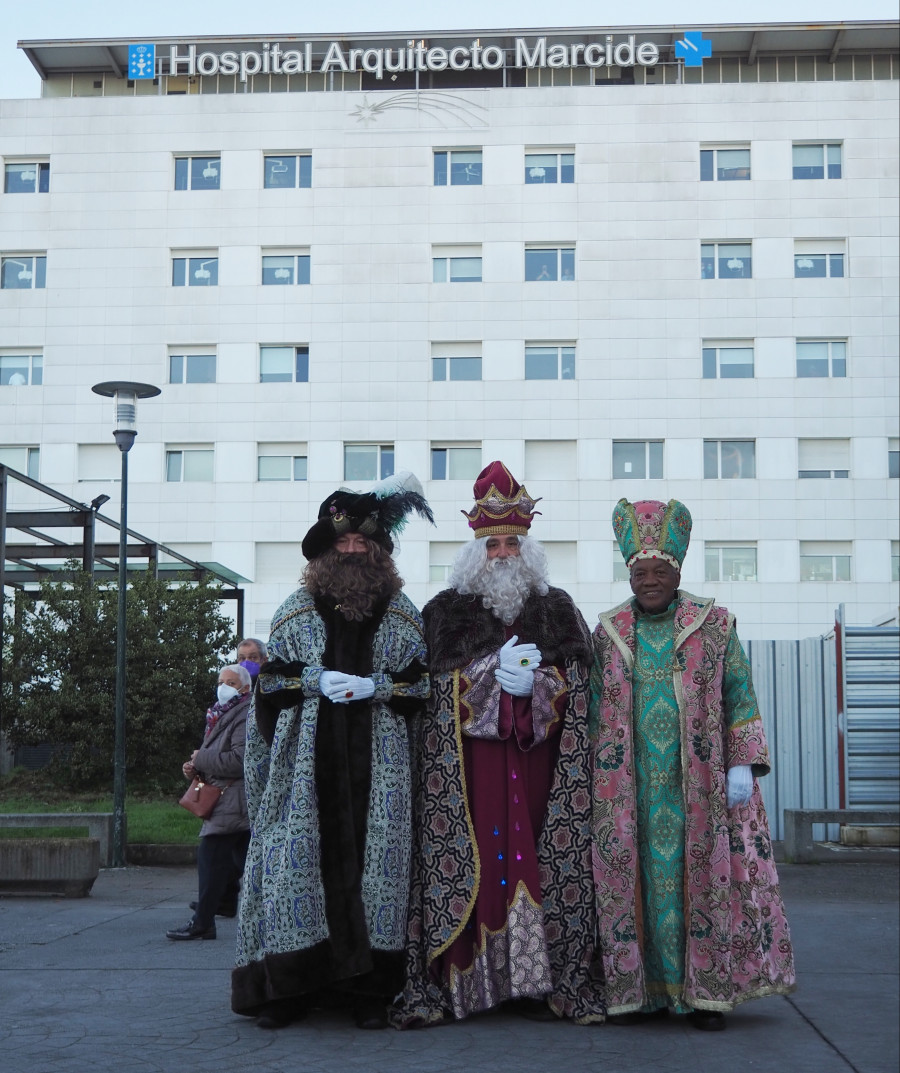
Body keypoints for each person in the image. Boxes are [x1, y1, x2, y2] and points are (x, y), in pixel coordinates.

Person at [393, 461, 605, 1027]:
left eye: (513, 542)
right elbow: (430, 692)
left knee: (537, 858)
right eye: (493, 544)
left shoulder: (557, 609)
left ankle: (540, 982)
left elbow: (582, 689)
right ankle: (471, 986)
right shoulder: (443, 613)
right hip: (470, 775)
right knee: (482, 866)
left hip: (540, 767)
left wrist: (541, 687)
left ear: (527, 547)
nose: (505, 554)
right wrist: (482, 678)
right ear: (474, 551)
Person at [231, 473, 432, 1031]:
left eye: (362, 543)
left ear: (377, 550)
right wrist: (311, 681)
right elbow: (267, 687)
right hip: (304, 774)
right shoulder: (295, 610)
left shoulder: (402, 613)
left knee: (376, 881)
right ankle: (290, 987)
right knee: (294, 869)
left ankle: (370, 991)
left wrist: (380, 687)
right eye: (341, 543)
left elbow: (424, 688)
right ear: (323, 550)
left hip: (381, 774)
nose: (351, 551)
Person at [590, 498, 796, 1030]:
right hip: (628, 790)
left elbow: (740, 695)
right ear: (628, 572)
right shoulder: (608, 632)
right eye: (640, 572)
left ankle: (705, 994)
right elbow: (589, 709)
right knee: (634, 884)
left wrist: (742, 764)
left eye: (660, 571)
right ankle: (640, 992)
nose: (650, 581)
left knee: (699, 882)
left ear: (677, 571)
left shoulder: (716, 626)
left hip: (697, 788)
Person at [166, 663, 252, 940]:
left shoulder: (245, 713)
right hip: (231, 799)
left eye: (230, 682)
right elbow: (216, 755)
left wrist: (200, 758)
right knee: (234, 859)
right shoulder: (221, 714)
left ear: (245, 688)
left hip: (233, 799)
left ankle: (203, 922)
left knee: (210, 856)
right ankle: (222, 905)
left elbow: (241, 760)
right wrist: (194, 768)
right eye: (220, 681)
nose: (223, 687)